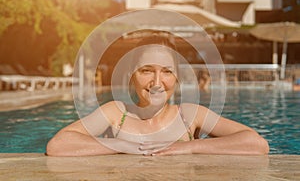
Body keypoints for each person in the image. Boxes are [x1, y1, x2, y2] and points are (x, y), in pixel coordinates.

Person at [46, 33, 269, 156]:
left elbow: (257, 144)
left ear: (177, 77)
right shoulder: (116, 113)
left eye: (166, 72)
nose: (157, 82)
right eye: (146, 71)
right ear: (132, 76)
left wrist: (189, 147)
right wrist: (121, 146)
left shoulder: (190, 116)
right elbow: (57, 145)